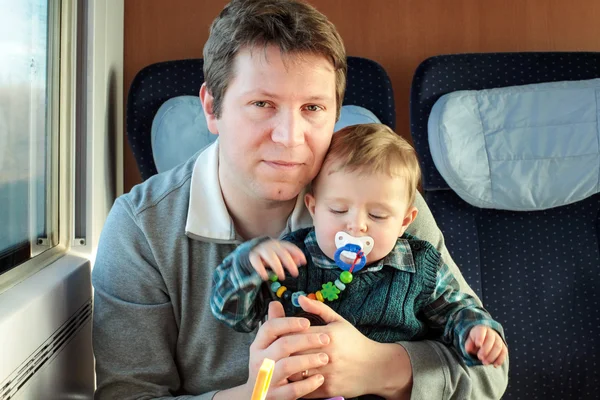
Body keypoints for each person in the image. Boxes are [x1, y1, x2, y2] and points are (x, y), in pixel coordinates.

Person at [91, 0, 509, 399]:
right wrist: (252, 395)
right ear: (212, 107)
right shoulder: (140, 229)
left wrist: (378, 368)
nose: (289, 138)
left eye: (312, 107)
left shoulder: (378, 204)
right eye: (261, 104)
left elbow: (491, 375)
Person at [211, 124, 508, 376]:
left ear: (405, 221)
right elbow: (236, 316)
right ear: (313, 208)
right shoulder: (290, 259)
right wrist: (247, 265)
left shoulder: (420, 266)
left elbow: (456, 312)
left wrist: (475, 333)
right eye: (339, 210)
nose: (356, 226)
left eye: (378, 216)